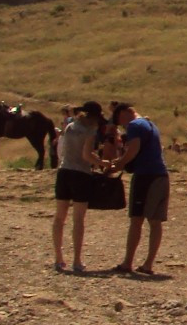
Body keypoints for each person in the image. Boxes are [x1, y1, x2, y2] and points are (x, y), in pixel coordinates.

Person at [111, 102, 169, 276]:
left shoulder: (135, 125)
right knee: (155, 221)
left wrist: (119, 164)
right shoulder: (150, 125)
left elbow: (133, 148)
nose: (122, 124)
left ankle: (128, 262)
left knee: (137, 218)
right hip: (161, 175)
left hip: (145, 175)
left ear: (125, 113)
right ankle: (148, 264)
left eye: (119, 119)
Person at [52, 102, 107, 273]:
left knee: (60, 217)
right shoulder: (90, 131)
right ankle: (77, 259)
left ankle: (58, 258)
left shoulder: (70, 126)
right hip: (81, 174)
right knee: (78, 219)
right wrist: (101, 162)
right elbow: (86, 154)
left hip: (64, 171)